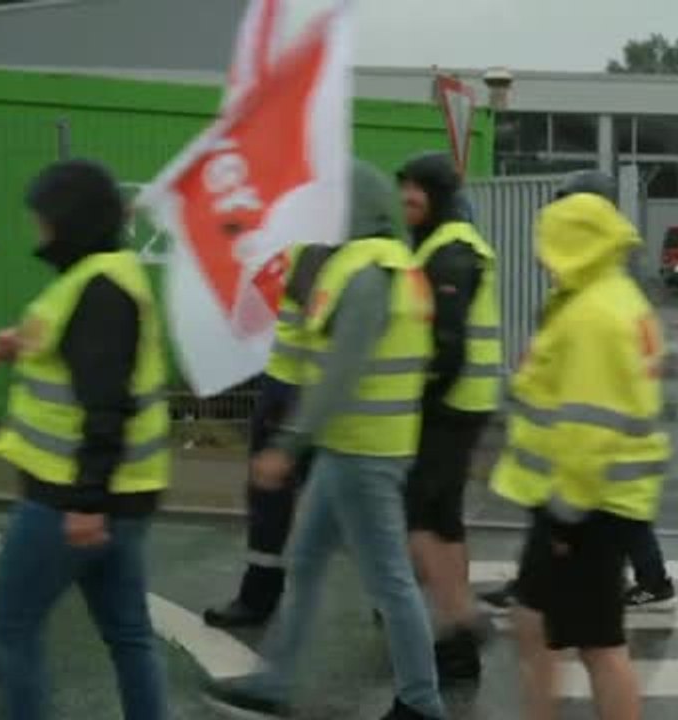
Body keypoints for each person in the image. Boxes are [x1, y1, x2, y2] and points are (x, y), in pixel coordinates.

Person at [205, 160, 444, 720]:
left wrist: (288, 444)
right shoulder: (389, 265)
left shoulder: (366, 273)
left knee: (389, 579)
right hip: (354, 445)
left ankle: (422, 702)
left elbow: (341, 371)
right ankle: (277, 683)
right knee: (308, 561)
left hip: (364, 450)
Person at [0, 159, 170, 720]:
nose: (37, 230)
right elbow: (85, 362)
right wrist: (25, 343)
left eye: (42, 219)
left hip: (69, 497)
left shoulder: (99, 288)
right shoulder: (104, 277)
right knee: (128, 633)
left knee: (11, 628)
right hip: (121, 494)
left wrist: (87, 500)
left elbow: (105, 402)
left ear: (70, 221)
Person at [492, 177, 670, 720]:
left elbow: (590, 426)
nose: (544, 258)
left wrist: (566, 519)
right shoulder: (609, 298)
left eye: (550, 244)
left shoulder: (594, 314)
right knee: (535, 622)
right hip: (587, 500)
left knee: (596, 644)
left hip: (584, 505)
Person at [396, 152, 501, 680]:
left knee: (418, 513)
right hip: (463, 401)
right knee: (443, 518)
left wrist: (422, 393)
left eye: (415, 190)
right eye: (403, 189)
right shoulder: (443, 243)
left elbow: (449, 344)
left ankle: (462, 621)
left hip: (451, 404)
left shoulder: (451, 251)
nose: (405, 199)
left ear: (436, 194)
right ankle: (460, 643)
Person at [205, 242, 332, 628]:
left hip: (298, 392)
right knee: (278, 503)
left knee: (273, 502)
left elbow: (311, 310)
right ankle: (388, 603)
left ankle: (258, 599)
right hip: (292, 386)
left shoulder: (313, 249)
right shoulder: (296, 248)